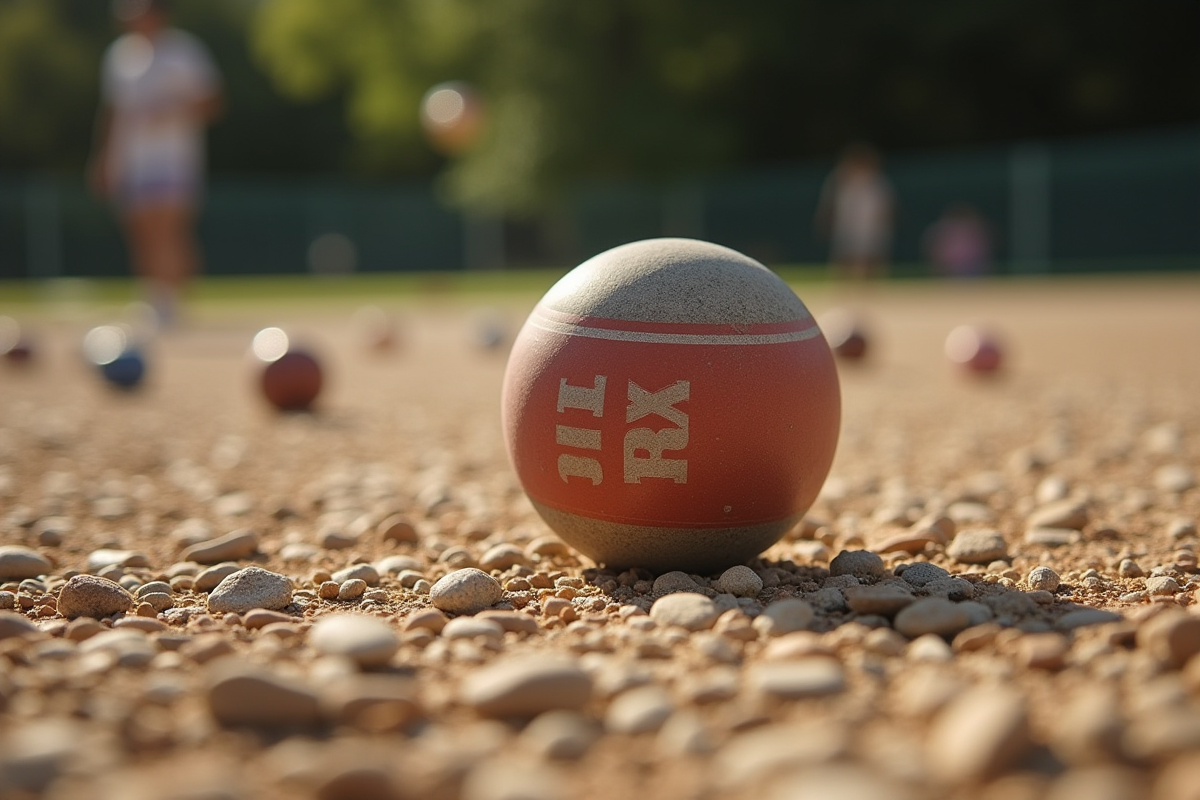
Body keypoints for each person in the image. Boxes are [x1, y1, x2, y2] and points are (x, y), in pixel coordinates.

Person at [89, 0, 222, 329]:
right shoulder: (119, 56)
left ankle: (168, 302)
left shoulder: (184, 51)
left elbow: (212, 103)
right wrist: (104, 157)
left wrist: (172, 108)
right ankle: (157, 296)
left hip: (174, 159)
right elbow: (112, 112)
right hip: (132, 161)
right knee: (141, 231)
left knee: (167, 229)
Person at [814, 143, 895, 281]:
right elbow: (829, 205)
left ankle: (867, 288)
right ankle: (845, 288)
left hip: (870, 227)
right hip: (846, 225)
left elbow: (887, 206)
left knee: (870, 258)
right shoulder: (839, 180)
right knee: (845, 257)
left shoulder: (877, 181)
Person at [923, 202, 992, 279]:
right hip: (946, 275)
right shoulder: (940, 231)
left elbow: (984, 255)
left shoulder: (978, 231)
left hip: (975, 276)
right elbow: (935, 255)